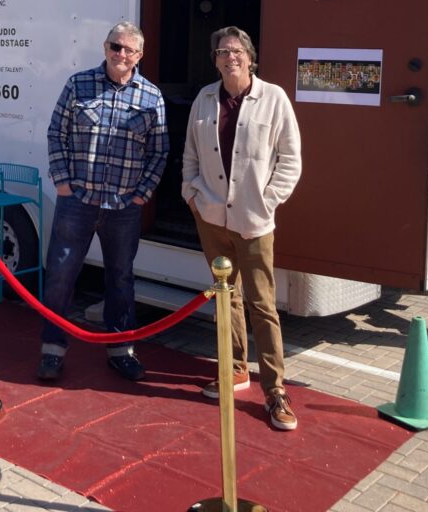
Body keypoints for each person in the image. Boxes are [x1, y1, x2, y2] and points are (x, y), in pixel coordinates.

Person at [181, 26, 302, 430]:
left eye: (236, 50)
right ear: (215, 60)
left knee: (262, 305)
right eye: (221, 51)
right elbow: (191, 155)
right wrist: (192, 194)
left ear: (250, 57)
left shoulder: (274, 99)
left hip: (254, 220)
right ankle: (234, 368)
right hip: (212, 217)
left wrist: (268, 200)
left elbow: (291, 160)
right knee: (224, 297)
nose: (229, 57)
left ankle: (275, 391)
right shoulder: (204, 98)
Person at [37, 22, 169, 382]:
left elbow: (159, 152)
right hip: (77, 201)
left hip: (124, 207)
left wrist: (142, 194)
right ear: (105, 46)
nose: (120, 54)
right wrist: (62, 182)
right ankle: (52, 350)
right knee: (61, 276)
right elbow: (55, 133)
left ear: (139, 55)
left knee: (121, 280)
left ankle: (120, 351)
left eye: (128, 49)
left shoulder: (151, 96)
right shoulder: (78, 85)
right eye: (115, 46)